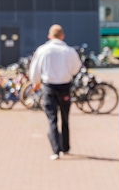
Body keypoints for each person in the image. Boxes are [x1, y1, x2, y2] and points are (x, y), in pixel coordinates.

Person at [28, 24, 82, 160]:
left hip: (49, 87)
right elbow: (77, 67)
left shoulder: (43, 50)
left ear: (49, 36)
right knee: (65, 118)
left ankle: (55, 150)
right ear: (63, 36)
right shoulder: (69, 51)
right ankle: (66, 147)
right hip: (65, 87)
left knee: (52, 119)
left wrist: (36, 82)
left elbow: (35, 69)